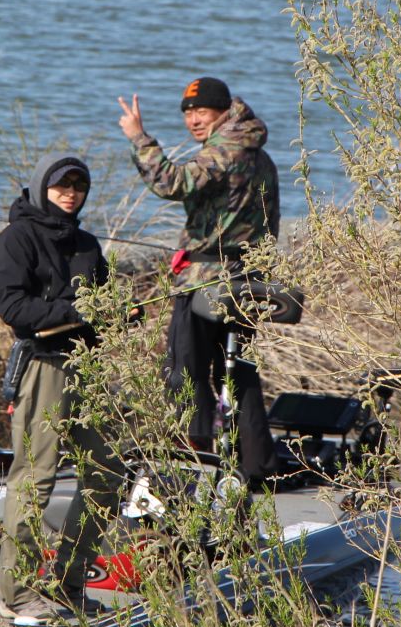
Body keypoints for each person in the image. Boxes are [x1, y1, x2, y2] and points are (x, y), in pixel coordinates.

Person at [117, 77, 282, 484]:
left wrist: (139, 138)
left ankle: (193, 460)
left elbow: (172, 182)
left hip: (207, 281)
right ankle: (256, 465)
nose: (193, 120)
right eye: (188, 113)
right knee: (238, 371)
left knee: (184, 371)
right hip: (248, 280)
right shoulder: (258, 153)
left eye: (201, 112)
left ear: (223, 111)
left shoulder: (225, 148)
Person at [0, 153, 124, 625]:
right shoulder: (15, 239)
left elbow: (104, 298)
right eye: (62, 185)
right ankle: (17, 595)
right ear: (41, 186)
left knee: (107, 473)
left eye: (79, 186)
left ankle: (68, 581)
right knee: (35, 477)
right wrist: (71, 311)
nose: (70, 193)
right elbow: (13, 307)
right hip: (43, 367)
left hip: (88, 367)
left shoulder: (87, 244)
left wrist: (121, 312)